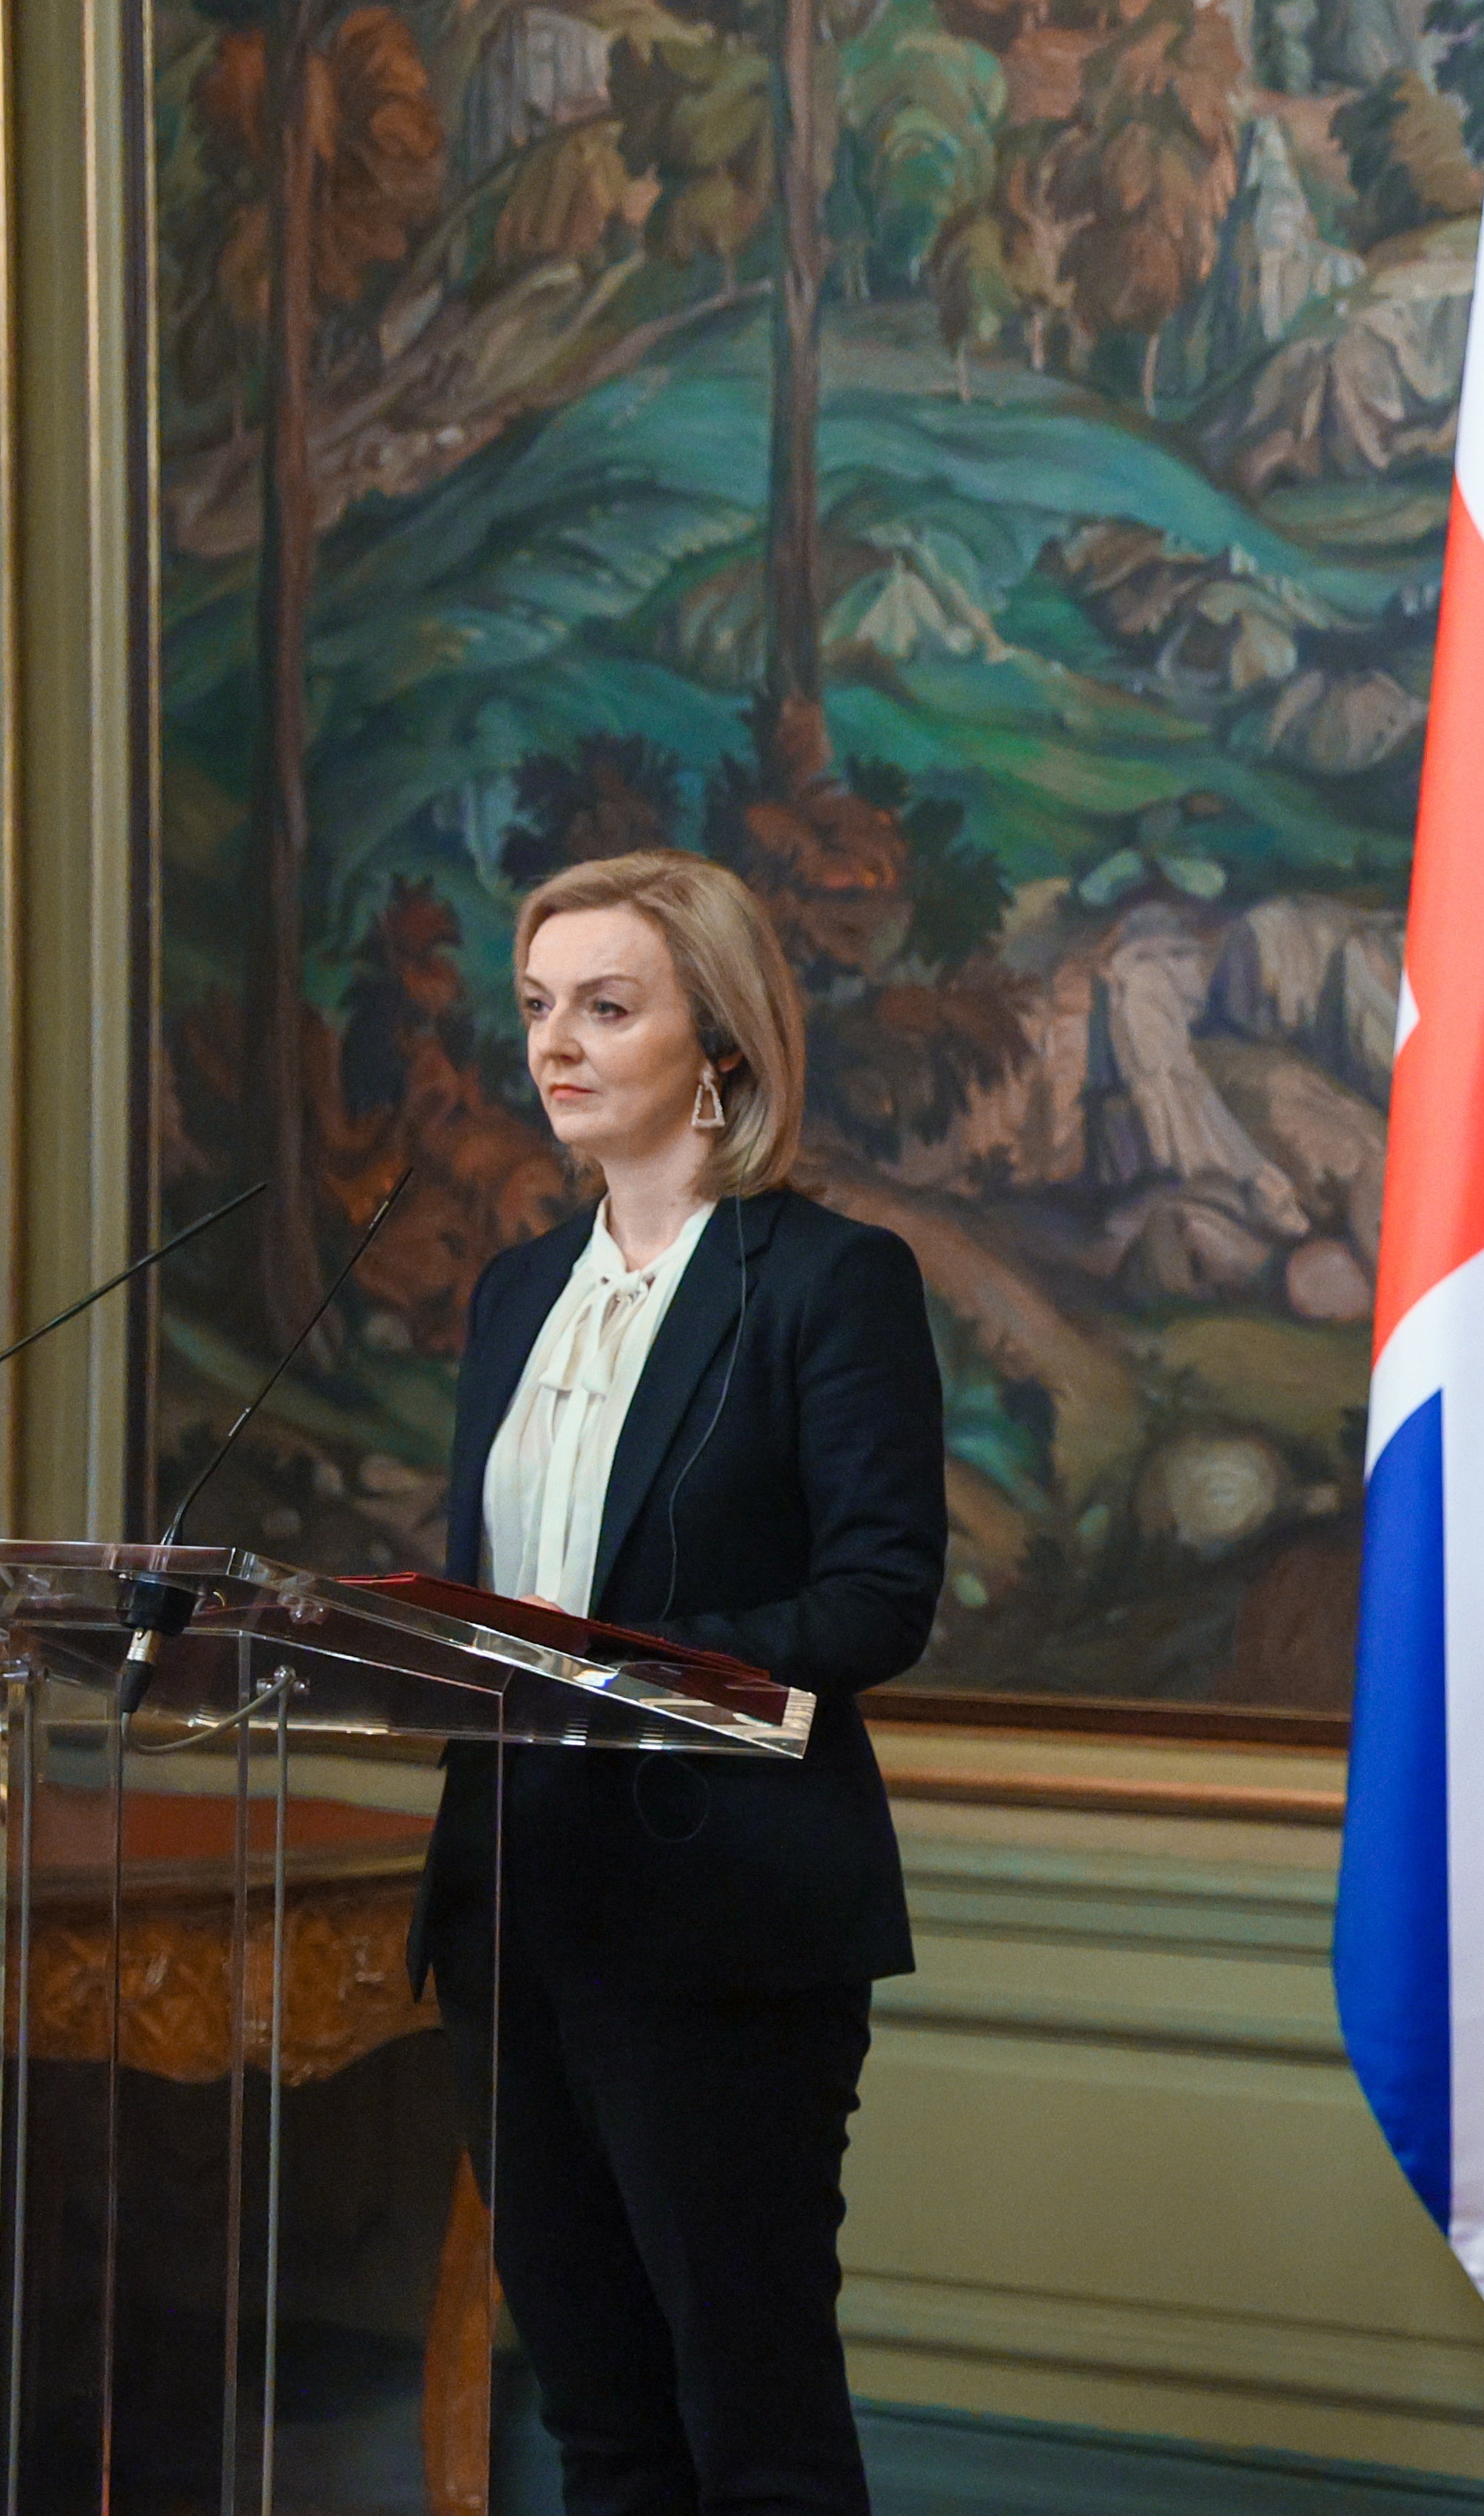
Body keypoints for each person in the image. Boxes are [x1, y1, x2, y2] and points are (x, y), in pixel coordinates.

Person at [410, 849, 946, 2515]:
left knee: (753, 2430)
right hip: (516, 1913)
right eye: (535, 1008)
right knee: (601, 2425)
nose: (555, 1046)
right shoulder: (519, 1295)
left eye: (606, 1007)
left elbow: (875, 1599)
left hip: (719, 1923)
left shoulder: (823, 1283)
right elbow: (491, 1593)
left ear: (718, 1043)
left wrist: (619, 1669)